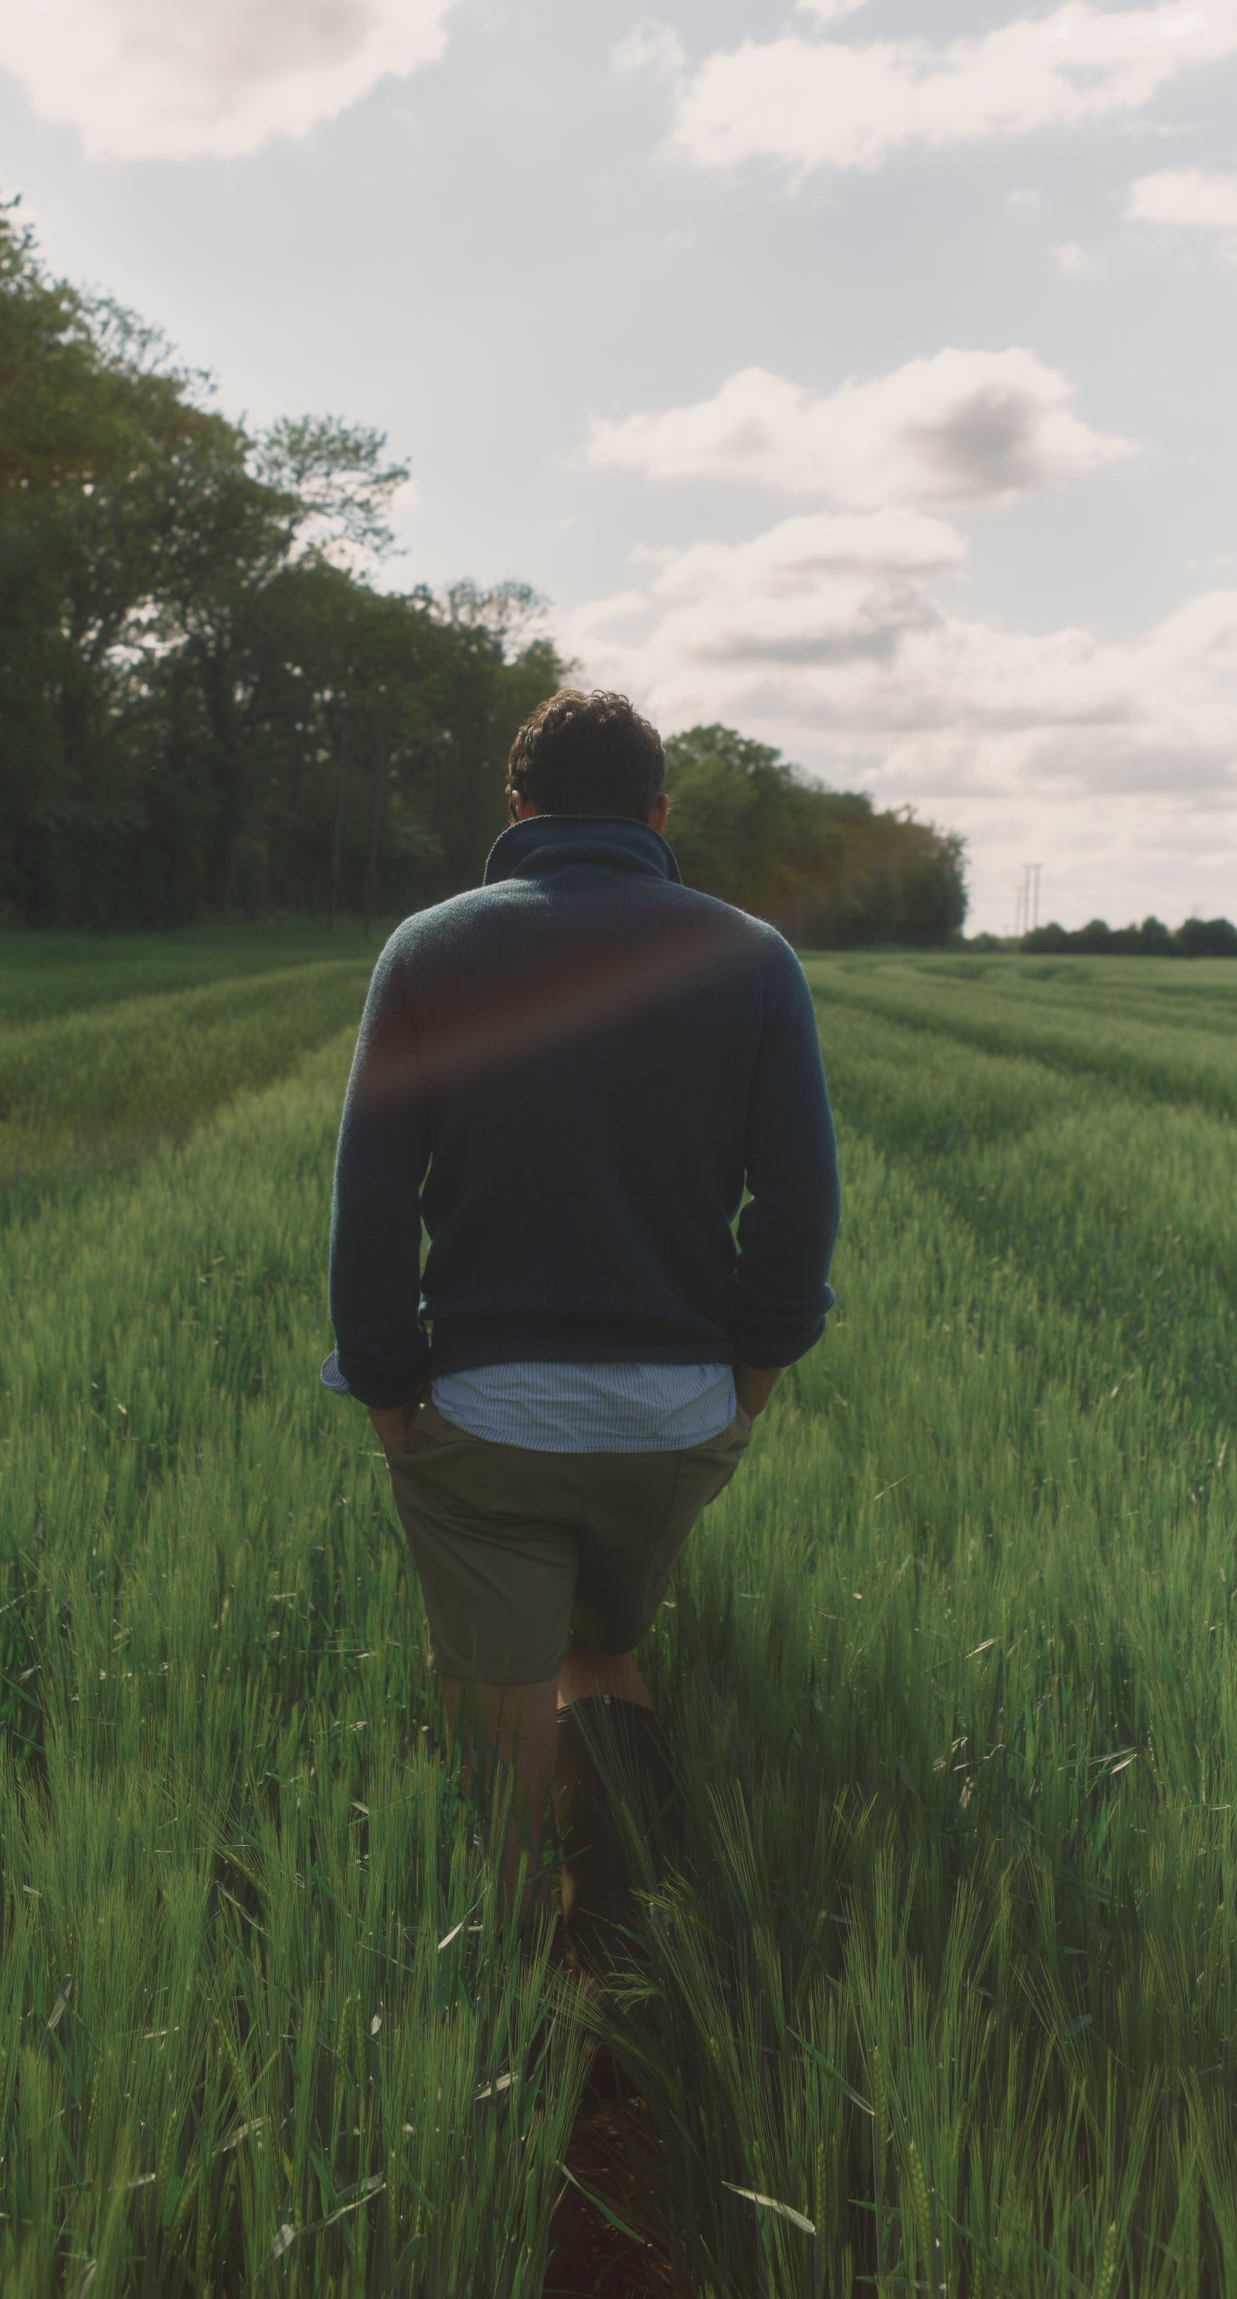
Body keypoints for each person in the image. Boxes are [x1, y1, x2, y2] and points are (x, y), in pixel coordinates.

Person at [322, 688, 840, 1936]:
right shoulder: (751, 956)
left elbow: (373, 1202)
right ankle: (618, 1935)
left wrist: (390, 1395)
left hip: (486, 1421)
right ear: (658, 814)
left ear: (516, 810)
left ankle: (508, 1982)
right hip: (673, 1419)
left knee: (498, 1706)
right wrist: (752, 1375)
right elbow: (797, 1205)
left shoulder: (431, 948)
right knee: (604, 1648)